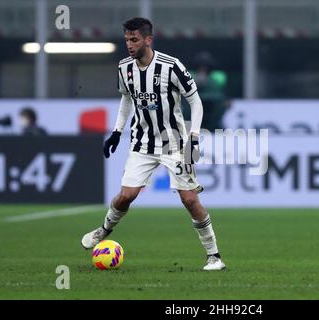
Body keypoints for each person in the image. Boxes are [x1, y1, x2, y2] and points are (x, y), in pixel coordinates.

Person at [81, 17, 226, 271]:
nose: (129, 44)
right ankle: (103, 230)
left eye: (134, 39)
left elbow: (196, 102)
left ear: (148, 40)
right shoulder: (124, 67)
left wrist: (193, 138)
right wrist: (117, 131)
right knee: (126, 195)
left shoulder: (172, 66)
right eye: (126, 39)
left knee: (190, 200)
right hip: (142, 143)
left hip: (175, 144)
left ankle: (214, 256)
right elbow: (126, 99)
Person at [183, 51, 228, 132]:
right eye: (200, 67)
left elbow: (219, 97)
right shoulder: (189, 76)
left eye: (205, 68)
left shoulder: (216, 78)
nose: (202, 70)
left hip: (211, 113)